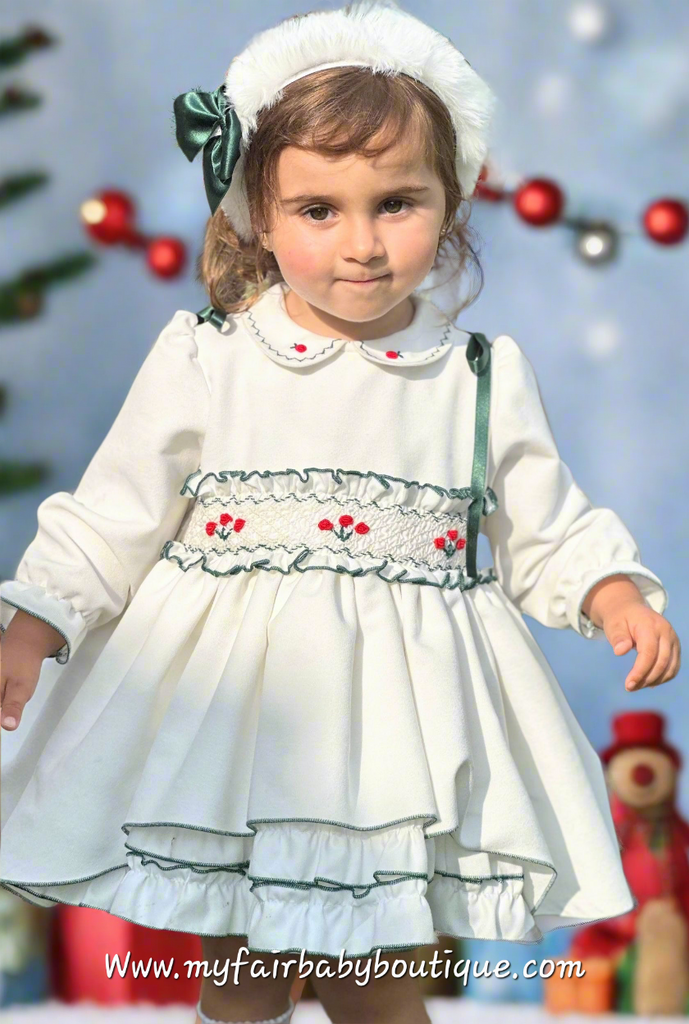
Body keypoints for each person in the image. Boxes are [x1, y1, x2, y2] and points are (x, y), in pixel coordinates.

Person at [0, 2, 681, 1022]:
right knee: (244, 981)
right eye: (318, 210)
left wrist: (609, 589)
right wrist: (38, 619)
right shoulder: (211, 357)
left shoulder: (474, 374)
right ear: (258, 216)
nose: (359, 244)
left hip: (400, 736)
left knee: (381, 986)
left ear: (450, 202)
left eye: (395, 203)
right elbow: (114, 513)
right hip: (241, 723)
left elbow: (543, 521)